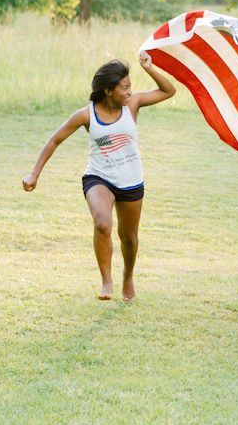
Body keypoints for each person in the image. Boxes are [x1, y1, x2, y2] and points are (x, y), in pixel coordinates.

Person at [22, 53, 175, 301]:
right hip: (99, 177)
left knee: (129, 238)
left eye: (130, 87)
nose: (129, 92)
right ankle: (106, 281)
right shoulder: (86, 115)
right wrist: (34, 173)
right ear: (107, 91)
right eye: (124, 87)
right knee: (102, 222)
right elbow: (55, 139)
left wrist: (149, 68)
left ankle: (128, 276)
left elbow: (169, 91)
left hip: (131, 180)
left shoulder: (133, 104)